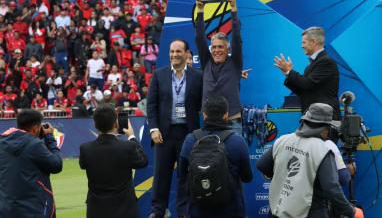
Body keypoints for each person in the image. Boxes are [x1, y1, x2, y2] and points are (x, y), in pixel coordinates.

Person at [256, 103, 363, 218]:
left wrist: (287, 179)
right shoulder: (323, 149)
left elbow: (262, 165)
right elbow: (332, 188)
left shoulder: (282, 140)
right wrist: (351, 211)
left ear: (304, 122)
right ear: (325, 128)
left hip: (277, 211)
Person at [146, 39, 203, 218]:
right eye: (171, 51)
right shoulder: (159, 75)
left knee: (185, 175)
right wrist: (153, 128)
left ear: (187, 54)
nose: (174, 55)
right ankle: (158, 211)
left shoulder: (197, 76)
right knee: (161, 175)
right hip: (164, 133)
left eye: (178, 51)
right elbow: (151, 105)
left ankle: (183, 212)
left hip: (188, 133)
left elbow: (203, 103)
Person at [177, 95, 253, 218]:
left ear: (204, 115)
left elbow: (181, 174)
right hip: (231, 211)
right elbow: (247, 177)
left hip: (198, 211)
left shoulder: (190, 140)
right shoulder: (238, 141)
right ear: (226, 115)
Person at [79, 104, 148, 218]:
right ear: (116, 123)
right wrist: (132, 136)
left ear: (95, 125)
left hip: (96, 210)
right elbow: (143, 161)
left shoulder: (86, 149)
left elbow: (83, 165)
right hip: (125, 209)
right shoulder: (127, 147)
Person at [195, 0, 244, 134]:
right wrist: (200, 10)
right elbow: (199, 38)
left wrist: (233, 8)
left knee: (234, 157)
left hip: (232, 122)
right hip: (209, 123)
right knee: (211, 157)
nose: (217, 50)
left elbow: (236, 36)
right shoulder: (206, 62)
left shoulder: (235, 62)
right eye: (214, 47)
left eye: (220, 47)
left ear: (227, 47)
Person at [0, 109, 63, 217]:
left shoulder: (2, 142)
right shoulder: (33, 145)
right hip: (33, 209)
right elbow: (56, 165)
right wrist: (50, 138)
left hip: (7, 208)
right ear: (35, 129)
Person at [274, 26, 340, 119]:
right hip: (313, 118)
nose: (302, 46)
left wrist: (289, 71)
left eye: (303, 42)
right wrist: (287, 73)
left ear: (313, 42)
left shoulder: (326, 61)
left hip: (324, 119)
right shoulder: (313, 63)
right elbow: (303, 90)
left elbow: (307, 84)